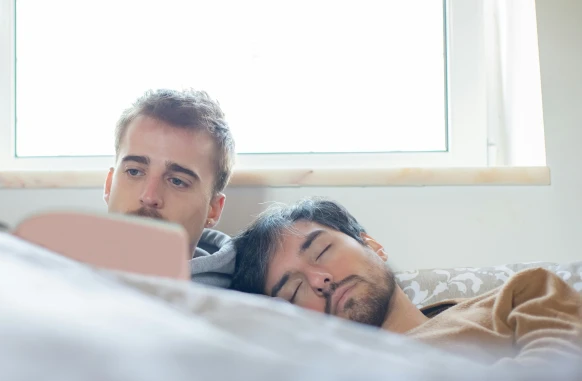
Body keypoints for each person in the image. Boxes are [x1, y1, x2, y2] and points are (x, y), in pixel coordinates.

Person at [230, 197, 582, 364]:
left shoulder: (520, 295)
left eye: (322, 251)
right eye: (294, 290)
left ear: (373, 246)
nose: (320, 279)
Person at [104, 88, 236, 288]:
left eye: (177, 181)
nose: (149, 196)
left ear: (213, 209)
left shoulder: (238, 307)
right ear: (108, 185)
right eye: (134, 172)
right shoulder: (52, 274)